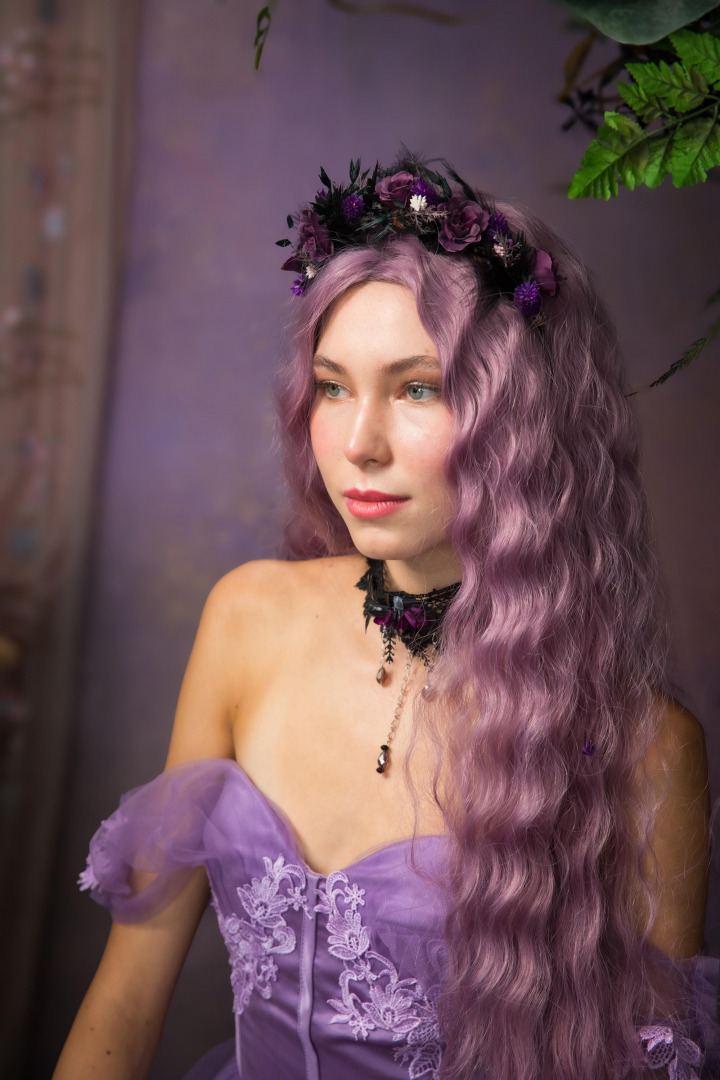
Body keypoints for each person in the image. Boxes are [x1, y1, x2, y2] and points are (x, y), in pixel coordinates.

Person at [53, 151, 720, 1080]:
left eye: (417, 388)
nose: (359, 444)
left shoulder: (646, 751)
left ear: (519, 421)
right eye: (333, 387)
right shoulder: (247, 618)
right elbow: (126, 997)